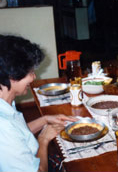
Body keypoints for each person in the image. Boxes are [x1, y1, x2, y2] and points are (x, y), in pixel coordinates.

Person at [0, 35, 77, 172]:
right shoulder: (3, 128)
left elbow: (19, 134)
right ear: (12, 76)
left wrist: (44, 119)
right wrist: (43, 139)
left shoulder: (5, 104)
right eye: (30, 72)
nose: (34, 77)